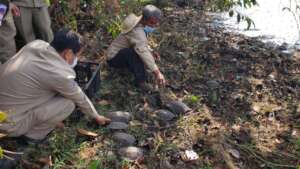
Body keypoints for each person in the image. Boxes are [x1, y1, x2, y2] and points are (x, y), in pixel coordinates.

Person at [0, 29, 110, 142]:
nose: (78, 59)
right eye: (77, 55)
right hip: (9, 125)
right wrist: (97, 116)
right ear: (68, 53)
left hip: (4, 112)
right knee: (68, 104)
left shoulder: (36, 44)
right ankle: (32, 136)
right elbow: (79, 98)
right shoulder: (59, 74)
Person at [107, 5, 166, 91]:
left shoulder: (140, 23)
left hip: (120, 53)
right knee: (132, 54)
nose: (155, 25)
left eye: (157, 22)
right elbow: (143, 51)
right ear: (145, 20)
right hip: (113, 58)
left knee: (138, 53)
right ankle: (141, 82)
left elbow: (141, 43)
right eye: (153, 23)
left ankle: (132, 69)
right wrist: (157, 73)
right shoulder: (137, 31)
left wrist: (151, 51)